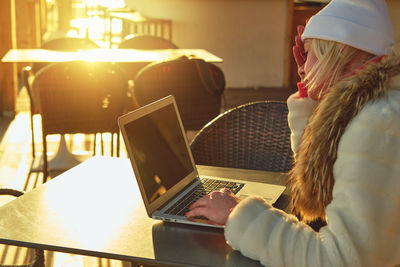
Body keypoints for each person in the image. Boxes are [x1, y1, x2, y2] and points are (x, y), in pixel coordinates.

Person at [186, 0, 400, 266]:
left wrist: (237, 214)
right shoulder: (377, 105)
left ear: (337, 54)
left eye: (309, 53)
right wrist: (311, 96)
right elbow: (322, 191)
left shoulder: (376, 126)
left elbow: (339, 260)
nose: (301, 64)